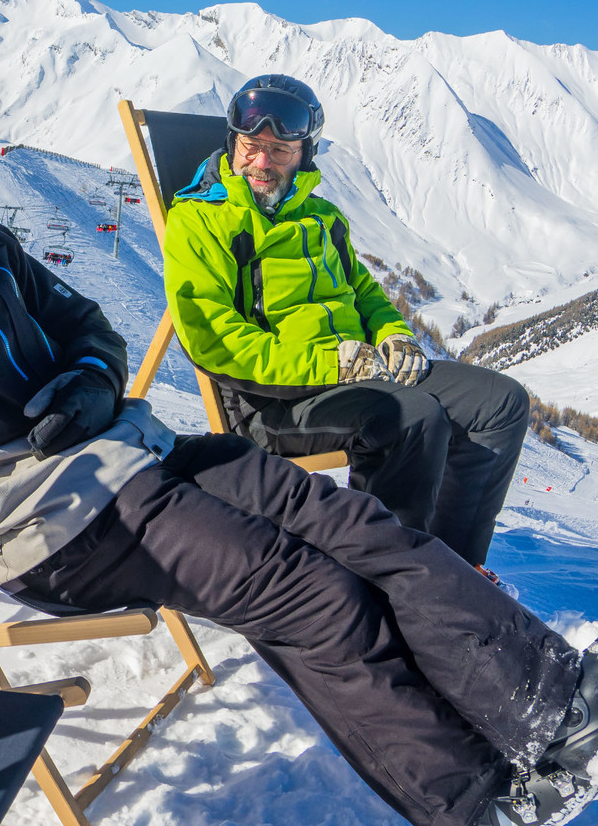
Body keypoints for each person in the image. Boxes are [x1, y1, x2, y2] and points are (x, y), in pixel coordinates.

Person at [0, 58, 598, 826]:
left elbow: (91, 326)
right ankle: (482, 811)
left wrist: (92, 381)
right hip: (45, 521)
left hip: (124, 452)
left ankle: (568, 712)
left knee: (361, 527)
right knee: (315, 596)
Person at [162, 73, 528, 569]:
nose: (261, 162)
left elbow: (364, 293)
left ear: (305, 154)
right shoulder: (200, 221)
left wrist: (393, 333)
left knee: (500, 403)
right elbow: (215, 343)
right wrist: (331, 364)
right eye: (250, 146)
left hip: (358, 372)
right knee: (412, 417)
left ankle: (454, 570)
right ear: (233, 143)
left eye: (280, 150)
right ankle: (392, 578)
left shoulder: (323, 218)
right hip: (274, 399)